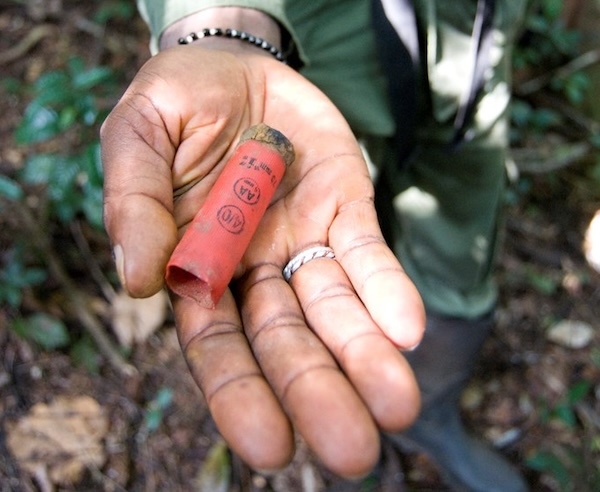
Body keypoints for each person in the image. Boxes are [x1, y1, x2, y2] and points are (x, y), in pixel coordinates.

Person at [100, 1, 529, 490]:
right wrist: (224, 23)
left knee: (454, 252)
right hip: (307, 45)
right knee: (330, 232)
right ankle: (353, 419)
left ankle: (428, 416)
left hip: (471, 39)